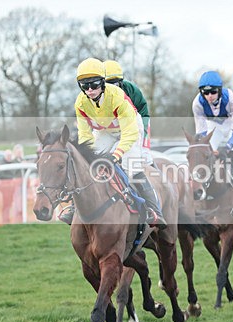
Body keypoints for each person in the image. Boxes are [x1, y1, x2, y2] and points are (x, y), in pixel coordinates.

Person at [60, 57, 165, 227]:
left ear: (103, 82)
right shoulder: (80, 102)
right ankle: (74, 207)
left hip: (130, 128)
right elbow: (85, 136)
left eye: (94, 84)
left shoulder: (117, 96)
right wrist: (89, 157)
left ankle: (154, 211)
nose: (90, 89)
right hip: (106, 131)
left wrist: (116, 155)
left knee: (132, 168)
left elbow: (130, 134)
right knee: (88, 165)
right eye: (84, 85)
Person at [102, 60, 155, 165]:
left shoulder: (132, 90)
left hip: (135, 126)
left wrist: (144, 144)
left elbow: (143, 116)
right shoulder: (96, 94)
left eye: (115, 84)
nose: (112, 88)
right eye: (107, 85)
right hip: (112, 129)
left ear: (121, 82)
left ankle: (153, 174)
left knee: (144, 156)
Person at [192, 70, 233, 160]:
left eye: (213, 92)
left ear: (219, 90)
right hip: (214, 126)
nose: (210, 96)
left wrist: (227, 147)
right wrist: (208, 148)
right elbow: (201, 132)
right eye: (206, 93)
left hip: (231, 125)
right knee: (209, 154)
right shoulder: (197, 103)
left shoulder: (231, 98)